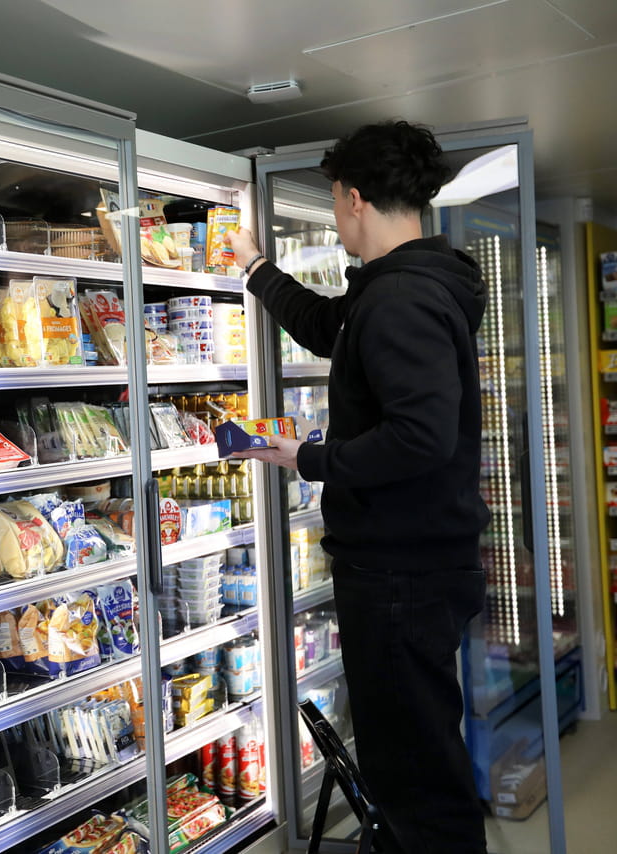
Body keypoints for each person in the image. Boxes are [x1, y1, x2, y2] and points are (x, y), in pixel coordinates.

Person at [227, 120, 491, 854]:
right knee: (416, 761)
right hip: (415, 568)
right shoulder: (401, 288)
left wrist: (312, 458)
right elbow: (327, 326)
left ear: (351, 199)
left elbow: (420, 436)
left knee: (415, 782)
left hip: (402, 575)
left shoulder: (401, 300)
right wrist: (255, 268)